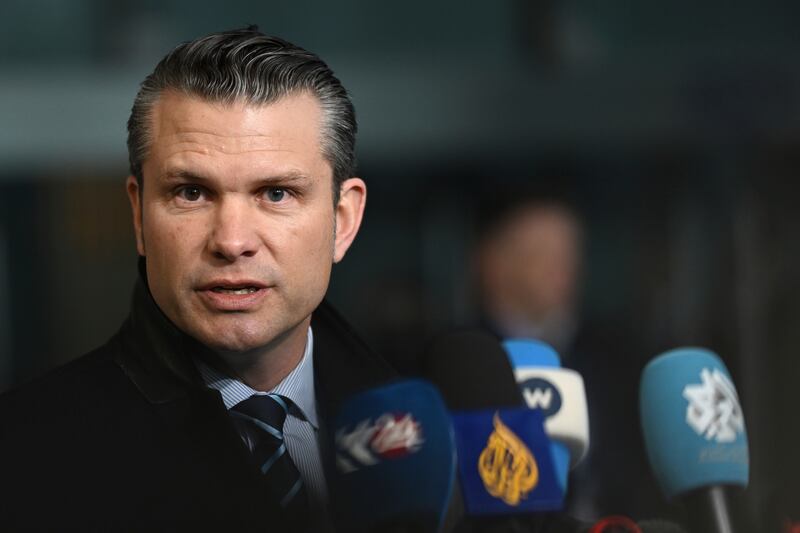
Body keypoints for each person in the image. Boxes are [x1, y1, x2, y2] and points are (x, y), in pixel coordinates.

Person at [0, 27, 396, 532]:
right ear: (139, 215)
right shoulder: (21, 456)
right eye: (191, 192)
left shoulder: (444, 432)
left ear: (343, 221)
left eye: (275, 193)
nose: (231, 241)